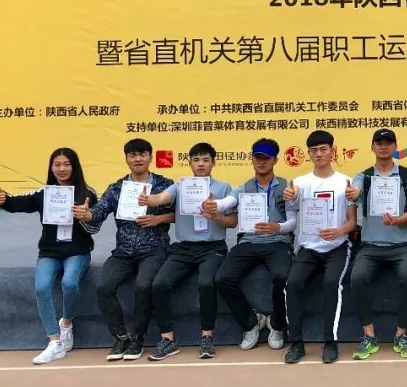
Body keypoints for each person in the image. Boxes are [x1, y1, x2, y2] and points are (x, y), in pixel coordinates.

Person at [0, 148, 99, 364]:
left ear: (75, 167)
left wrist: (85, 217)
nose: (62, 169)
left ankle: (66, 323)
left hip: (78, 251)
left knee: (69, 283)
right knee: (42, 288)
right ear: (51, 168)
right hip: (50, 252)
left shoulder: (88, 193)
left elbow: (95, 226)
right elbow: (20, 203)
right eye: (57, 164)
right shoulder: (44, 192)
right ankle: (54, 342)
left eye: (66, 164)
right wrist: (5, 201)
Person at [73, 138, 173, 361]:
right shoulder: (117, 188)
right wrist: (86, 214)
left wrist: (160, 219)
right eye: (132, 155)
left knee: (143, 285)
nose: (137, 159)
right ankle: (120, 337)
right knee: (103, 287)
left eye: (142, 154)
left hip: (154, 249)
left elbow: (181, 213)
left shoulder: (165, 185)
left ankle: (137, 338)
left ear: (150, 157)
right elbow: (99, 212)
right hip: (123, 251)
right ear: (126, 159)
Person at [141, 143, 236, 361]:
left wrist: (216, 216)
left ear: (214, 162)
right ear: (190, 163)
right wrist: (149, 199)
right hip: (183, 249)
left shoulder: (224, 188)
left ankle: (207, 337)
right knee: (159, 284)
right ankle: (168, 339)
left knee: (206, 284)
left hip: (213, 247)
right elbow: (161, 198)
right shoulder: (179, 187)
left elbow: (232, 222)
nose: (201, 164)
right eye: (196, 160)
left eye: (206, 160)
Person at [210, 139, 294, 352]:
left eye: (266, 158)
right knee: (222, 278)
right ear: (252, 159)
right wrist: (213, 205)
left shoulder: (286, 188)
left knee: (283, 277)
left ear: (275, 160)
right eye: (258, 157)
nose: (261, 161)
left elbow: (293, 222)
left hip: (277, 241)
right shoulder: (244, 187)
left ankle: (277, 324)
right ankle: (251, 322)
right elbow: (227, 202)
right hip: (248, 241)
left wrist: (277, 227)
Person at [281, 130, 356, 364]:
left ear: (332, 152)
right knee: (292, 284)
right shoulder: (299, 183)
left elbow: (352, 222)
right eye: (314, 150)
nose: (319, 154)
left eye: (323, 149)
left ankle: (330, 342)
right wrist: (290, 195)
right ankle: (296, 343)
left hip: (337, 246)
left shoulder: (345, 182)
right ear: (309, 154)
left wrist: (339, 231)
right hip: (308, 247)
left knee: (332, 284)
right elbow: (292, 201)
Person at [346, 129, 407, 360]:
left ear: (395, 146)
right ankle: (369, 337)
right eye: (379, 143)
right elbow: (355, 191)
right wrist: (353, 192)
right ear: (372, 147)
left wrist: (399, 219)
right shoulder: (364, 176)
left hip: (402, 244)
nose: (384, 147)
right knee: (357, 278)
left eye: (388, 143)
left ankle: (401, 335)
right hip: (370, 245)